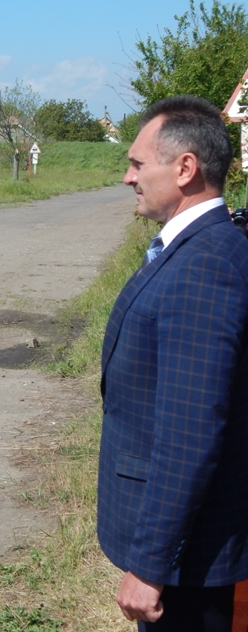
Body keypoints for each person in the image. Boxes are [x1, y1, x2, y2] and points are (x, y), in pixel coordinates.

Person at [97, 95, 248, 631]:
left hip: (190, 561)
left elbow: (191, 432)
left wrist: (151, 563)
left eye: (137, 164)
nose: (127, 177)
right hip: (184, 552)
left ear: (185, 168)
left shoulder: (206, 264)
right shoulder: (195, 247)